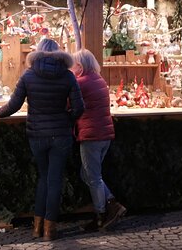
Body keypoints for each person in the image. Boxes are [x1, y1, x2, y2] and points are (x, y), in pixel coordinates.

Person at [0, 38, 84, 240]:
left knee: (43, 178)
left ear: (38, 53)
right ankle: (49, 231)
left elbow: (13, 105)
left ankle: (37, 227)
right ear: (59, 53)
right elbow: (79, 108)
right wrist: (65, 121)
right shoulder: (68, 76)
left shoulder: (29, 75)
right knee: (55, 180)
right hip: (60, 135)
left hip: (37, 136)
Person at [71, 48, 127, 231]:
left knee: (93, 177)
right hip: (104, 135)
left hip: (91, 135)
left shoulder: (81, 83)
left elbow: (68, 104)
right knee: (87, 174)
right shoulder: (99, 80)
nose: (72, 67)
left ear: (80, 65)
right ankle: (111, 203)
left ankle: (101, 215)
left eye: (73, 64)